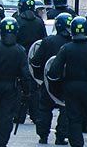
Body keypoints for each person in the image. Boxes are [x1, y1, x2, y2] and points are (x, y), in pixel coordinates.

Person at [47, 16, 87, 147]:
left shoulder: (66, 48)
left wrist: (58, 85)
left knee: (74, 119)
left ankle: (77, 144)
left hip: (71, 88)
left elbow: (53, 71)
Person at [0, 17, 33, 147]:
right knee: (6, 116)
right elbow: (25, 73)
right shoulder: (20, 50)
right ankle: (1, 142)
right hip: (12, 87)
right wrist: (27, 91)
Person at [30, 13, 72, 145]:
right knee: (66, 109)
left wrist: (40, 78)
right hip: (67, 83)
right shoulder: (72, 43)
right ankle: (61, 137)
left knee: (44, 109)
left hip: (48, 82)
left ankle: (43, 135)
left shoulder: (47, 41)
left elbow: (35, 61)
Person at [13, 0, 45, 125]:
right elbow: (43, 41)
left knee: (20, 87)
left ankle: (18, 114)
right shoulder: (38, 22)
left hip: (20, 59)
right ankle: (35, 114)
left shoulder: (17, 21)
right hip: (34, 59)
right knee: (34, 88)